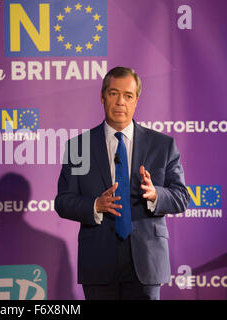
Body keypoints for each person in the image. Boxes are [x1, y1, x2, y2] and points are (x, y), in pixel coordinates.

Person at [55, 66, 190, 300]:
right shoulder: (80, 147)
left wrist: (155, 194)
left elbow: (181, 197)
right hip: (98, 261)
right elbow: (63, 201)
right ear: (102, 96)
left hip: (146, 261)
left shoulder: (162, 146)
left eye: (128, 96)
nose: (120, 102)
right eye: (113, 93)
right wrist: (95, 205)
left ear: (136, 100)